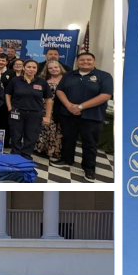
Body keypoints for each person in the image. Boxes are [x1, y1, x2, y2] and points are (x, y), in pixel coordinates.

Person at [52, 52, 113, 182]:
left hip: (92, 116)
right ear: (77, 62)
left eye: (88, 60)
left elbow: (106, 95)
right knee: (68, 139)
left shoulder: (104, 76)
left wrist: (80, 107)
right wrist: (69, 106)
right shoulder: (69, 75)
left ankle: (89, 168)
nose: (85, 62)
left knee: (89, 143)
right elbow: (60, 91)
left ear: (94, 61)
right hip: (68, 114)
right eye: (82, 60)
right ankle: (67, 160)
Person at [5, 59, 52, 160]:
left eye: (34, 67)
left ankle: (26, 155)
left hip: (35, 113)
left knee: (31, 136)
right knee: (15, 134)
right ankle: (15, 154)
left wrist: (47, 116)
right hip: (17, 112)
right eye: (29, 67)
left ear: (37, 69)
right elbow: (8, 94)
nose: (31, 69)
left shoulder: (42, 82)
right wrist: (9, 107)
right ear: (24, 68)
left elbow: (48, 99)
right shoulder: (16, 80)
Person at [35, 60, 66, 160]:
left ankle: (54, 151)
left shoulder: (66, 79)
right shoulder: (43, 79)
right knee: (44, 128)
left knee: (57, 129)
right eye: (51, 68)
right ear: (47, 70)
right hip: (44, 107)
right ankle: (41, 148)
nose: (54, 69)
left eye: (56, 67)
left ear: (60, 67)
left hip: (60, 108)